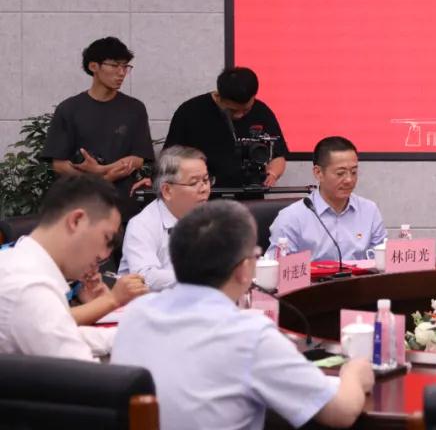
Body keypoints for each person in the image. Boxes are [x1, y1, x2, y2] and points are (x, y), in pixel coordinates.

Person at [112, 201, 373, 430]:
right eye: (255, 256)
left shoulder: (136, 314)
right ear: (244, 269)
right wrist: (354, 371)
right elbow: (341, 412)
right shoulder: (250, 334)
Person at [0, 175, 147, 360]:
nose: (104, 255)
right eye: (107, 238)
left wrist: (133, 335)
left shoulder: (14, 262)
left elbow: (63, 333)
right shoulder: (31, 289)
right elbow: (85, 374)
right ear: (76, 220)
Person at [41, 36, 154, 220]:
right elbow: (59, 164)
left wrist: (100, 170)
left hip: (123, 206)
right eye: (114, 65)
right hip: (80, 204)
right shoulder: (69, 109)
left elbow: (138, 158)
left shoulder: (135, 108)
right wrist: (104, 177)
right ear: (94, 66)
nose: (121, 72)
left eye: (125, 66)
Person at [164, 67, 288, 188]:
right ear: (219, 96)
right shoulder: (190, 112)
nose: (239, 115)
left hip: (249, 195)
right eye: (232, 110)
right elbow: (170, 158)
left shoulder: (262, 112)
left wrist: (272, 174)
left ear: (253, 96)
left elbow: (278, 156)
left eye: (246, 110)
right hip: (202, 194)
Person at [269, 136, 386, 260]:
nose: (349, 180)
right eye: (340, 173)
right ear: (318, 173)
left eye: (353, 172)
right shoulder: (291, 218)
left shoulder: (369, 211)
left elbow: (383, 260)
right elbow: (277, 266)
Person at [118, 146, 212, 290]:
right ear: (167, 190)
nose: (204, 188)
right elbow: (145, 277)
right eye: (194, 183)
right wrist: (200, 278)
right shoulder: (142, 224)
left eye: (205, 180)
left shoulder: (209, 218)